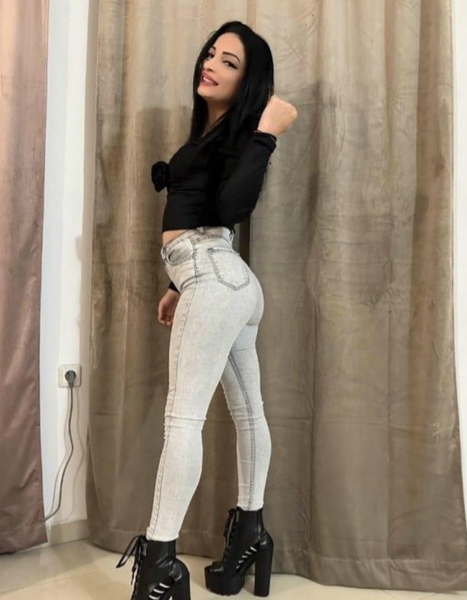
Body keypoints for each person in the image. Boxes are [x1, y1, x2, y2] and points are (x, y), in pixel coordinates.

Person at [116, 20, 298, 600]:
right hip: (221, 276)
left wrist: (267, 131)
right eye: (211, 54)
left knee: (183, 421)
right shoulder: (214, 134)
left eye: (229, 61)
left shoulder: (246, 132)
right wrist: (176, 284)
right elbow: (209, 217)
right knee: (248, 414)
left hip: (215, 276)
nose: (211, 64)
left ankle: (161, 564)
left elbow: (235, 206)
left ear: (249, 82)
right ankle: (251, 534)